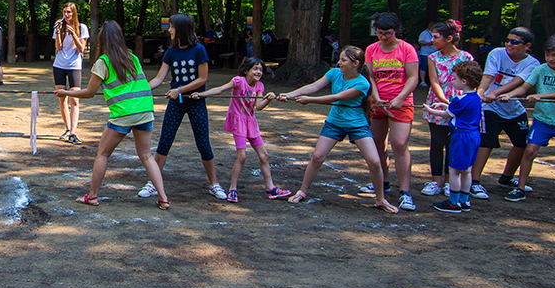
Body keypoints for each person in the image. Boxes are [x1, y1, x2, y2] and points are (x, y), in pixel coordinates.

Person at [58, 20, 169, 209]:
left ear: (102, 40)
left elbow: (89, 93)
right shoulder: (132, 57)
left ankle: (92, 195)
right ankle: (163, 198)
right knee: (146, 156)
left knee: (103, 153)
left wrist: (66, 93)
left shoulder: (103, 62)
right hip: (145, 109)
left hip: (124, 113)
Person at [279, 46, 397, 212]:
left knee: (375, 161)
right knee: (317, 157)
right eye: (340, 59)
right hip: (334, 122)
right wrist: (289, 95)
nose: (339, 63)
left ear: (355, 63)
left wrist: (310, 101)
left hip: (357, 124)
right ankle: (302, 191)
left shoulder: (363, 83)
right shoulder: (334, 73)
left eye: (343, 60)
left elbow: (337, 97)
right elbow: (313, 86)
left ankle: (380, 200)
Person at [141, 13, 225, 201]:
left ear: (181, 28)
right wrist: (140, 88)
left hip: (195, 102)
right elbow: (159, 78)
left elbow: (202, 79)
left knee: (203, 143)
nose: (169, 30)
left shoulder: (199, 50)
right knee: (164, 142)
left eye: (171, 26)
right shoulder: (171, 52)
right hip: (175, 104)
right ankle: (153, 183)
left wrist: (179, 89)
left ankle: (214, 184)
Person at [495, 35, 555, 201]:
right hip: (542, 120)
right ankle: (520, 189)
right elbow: (524, 88)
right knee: (529, 151)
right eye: (548, 55)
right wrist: (508, 94)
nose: (551, 59)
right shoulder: (540, 69)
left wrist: (540, 96)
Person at [190, 57, 292, 202]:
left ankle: (271, 188)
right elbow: (220, 89)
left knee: (264, 155)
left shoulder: (259, 86)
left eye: (261, 70)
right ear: (246, 70)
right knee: (242, 157)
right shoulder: (238, 81)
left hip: (251, 122)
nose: (259, 72)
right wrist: (201, 94)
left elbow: (258, 106)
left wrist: (268, 98)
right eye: (255, 69)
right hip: (238, 122)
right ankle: (233, 189)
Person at [471, 27, 540, 199]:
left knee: (522, 143)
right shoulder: (497, 53)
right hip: (490, 107)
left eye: (514, 42)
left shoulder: (533, 63)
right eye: (508, 40)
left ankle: (507, 178)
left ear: (527, 45)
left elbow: (520, 81)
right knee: (487, 142)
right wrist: (481, 92)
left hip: (514, 108)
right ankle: (475, 182)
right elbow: (488, 75)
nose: (509, 44)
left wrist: (497, 94)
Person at [363, 12, 419, 211]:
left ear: (397, 31)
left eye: (387, 33)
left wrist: (400, 98)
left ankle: (405, 192)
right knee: (377, 142)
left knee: (399, 144)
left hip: (401, 103)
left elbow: (413, 78)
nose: (383, 37)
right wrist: (375, 96)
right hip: (379, 104)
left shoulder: (407, 49)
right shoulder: (371, 49)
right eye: (379, 33)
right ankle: (382, 182)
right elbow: (370, 76)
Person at [425, 60, 485, 214]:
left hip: (461, 137)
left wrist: (430, 109)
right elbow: (455, 109)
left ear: (464, 81)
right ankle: (464, 201)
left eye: (456, 79)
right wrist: (445, 105)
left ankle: (453, 202)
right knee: (466, 170)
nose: (454, 81)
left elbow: (447, 114)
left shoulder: (461, 99)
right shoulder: (476, 98)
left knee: (454, 171)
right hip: (474, 136)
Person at [422, 20, 473, 197]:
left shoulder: (466, 57)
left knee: (453, 143)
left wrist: (457, 103)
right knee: (437, 142)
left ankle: (450, 181)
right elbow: (434, 80)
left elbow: (471, 80)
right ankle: (436, 181)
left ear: (449, 38)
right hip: (438, 102)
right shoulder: (432, 57)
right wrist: (443, 99)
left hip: (460, 104)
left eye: (436, 37)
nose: (433, 41)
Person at [51, 2, 89, 143]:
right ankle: (67, 129)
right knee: (62, 98)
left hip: (74, 66)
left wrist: (73, 35)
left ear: (73, 13)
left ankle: (73, 133)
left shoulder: (81, 27)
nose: (66, 15)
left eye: (68, 12)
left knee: (74, 99)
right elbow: (59, 48)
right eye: (64, 12)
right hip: (59, 65)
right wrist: (58, 33)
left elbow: (81, 49)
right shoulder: (59, 27)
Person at [417, 21, 437, 86]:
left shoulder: (436, 33)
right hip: (425, 53)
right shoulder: (424, 33)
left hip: (434, 53)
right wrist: (428, 43)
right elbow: (420, 41)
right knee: (424, 66)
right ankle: (422, 81)